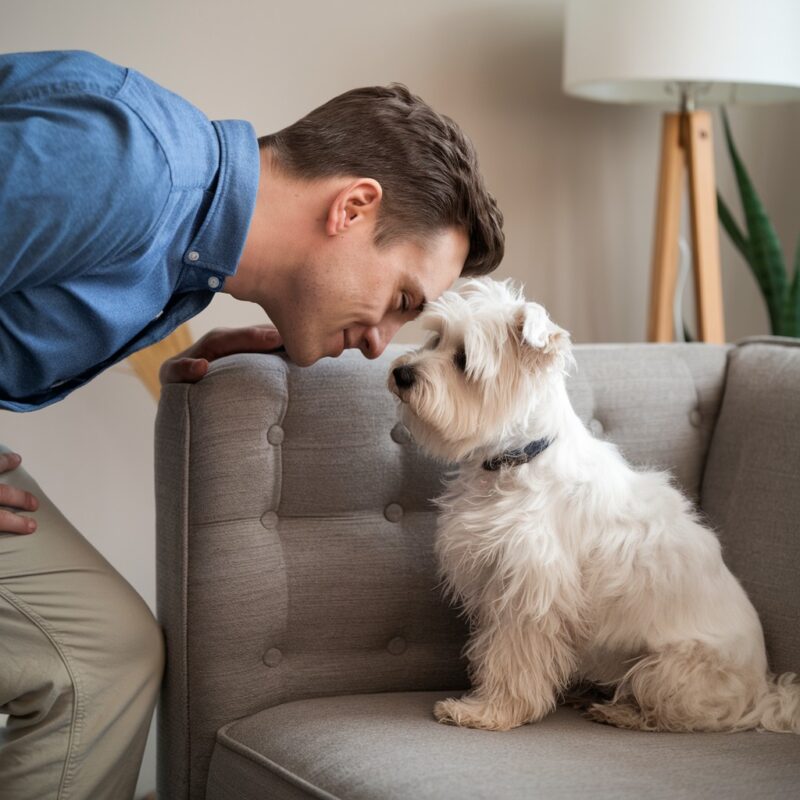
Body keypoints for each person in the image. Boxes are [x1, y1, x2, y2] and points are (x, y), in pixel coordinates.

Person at [0, 49, 503, 799]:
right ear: (353, 207)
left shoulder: (188, 253)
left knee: (101, 657)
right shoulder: (130, 163)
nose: (378, 343)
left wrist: (178, 345)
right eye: (401, 299)